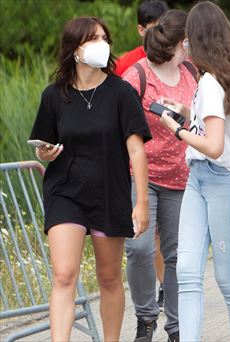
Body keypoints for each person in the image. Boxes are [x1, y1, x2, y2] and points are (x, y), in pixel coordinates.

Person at [156, 2, 230, 340]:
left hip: (227, 180)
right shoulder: (216, 78)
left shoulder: (210, 82)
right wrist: (184, 111)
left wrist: (176, 129)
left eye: (187, 38)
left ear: (195, 39)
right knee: (188, 271)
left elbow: (215, 146)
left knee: (228, 279)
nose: (184, 44)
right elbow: (213, 124)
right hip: (200, 179)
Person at [29, 17, 151, 341]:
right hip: (65, 191)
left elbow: (137, 152)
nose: (101, 44)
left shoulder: (121, 92)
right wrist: (45, 153)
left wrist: (141, 202)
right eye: (92, 39)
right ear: (74, 49)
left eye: (103, 38)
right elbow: (43, 144)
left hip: (109, 191)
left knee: (109, 278)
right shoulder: (53, 96)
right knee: (64, 275)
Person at [122, 9, 197, 342]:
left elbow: (203, 118)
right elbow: (119, 125)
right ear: (183, 41)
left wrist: (184, 112)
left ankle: (178, 327)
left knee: (177, 255)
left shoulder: (191, 71)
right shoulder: (137, 76)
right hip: (142, 176)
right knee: (138, 248)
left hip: (181, 178)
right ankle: (146, 318)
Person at [115, 0, 168, 76]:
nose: (160, 33)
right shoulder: (123, 64)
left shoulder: (176, 59)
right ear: (141, 30)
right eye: (154, 28)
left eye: (164, 28)